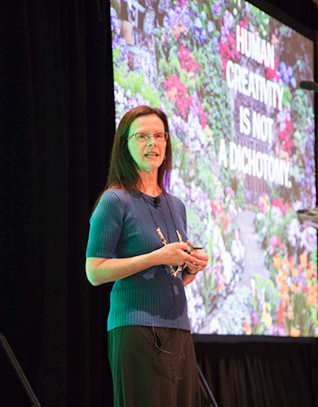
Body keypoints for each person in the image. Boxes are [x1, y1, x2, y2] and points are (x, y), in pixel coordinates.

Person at [86, 106, 208, 406]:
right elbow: (95, 271)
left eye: (159, 136)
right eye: (141, 136)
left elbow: (168, 272)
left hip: (178, 329)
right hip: (136, 329)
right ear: (125, 145)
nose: (152, 143)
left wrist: (189, 267)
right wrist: (157, 256)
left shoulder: (176, 205)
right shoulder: (115, 200)